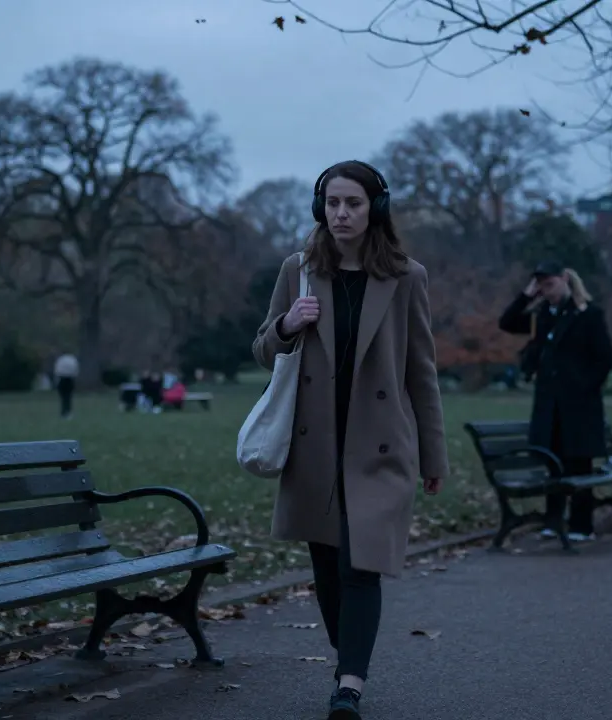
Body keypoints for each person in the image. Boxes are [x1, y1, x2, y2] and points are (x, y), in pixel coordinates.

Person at [252, 160, 448, 720]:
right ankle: (350, 659)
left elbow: (422, 370)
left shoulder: (408, 277)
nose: (341, 213)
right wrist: (288, 325)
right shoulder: (300, 269)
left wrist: (434, 454)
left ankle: (349, 687)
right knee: (327, 569)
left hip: (380, 445)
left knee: (360, 566)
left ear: (375, 209)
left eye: (353, 203)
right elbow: (263, 349)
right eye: (333, 203)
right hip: (313, 444)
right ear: (321, 208)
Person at [498, 262, 612, 544]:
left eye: (549, 283)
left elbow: (605, 359)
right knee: (552, 462)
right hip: (549, 402)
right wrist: (527, 295)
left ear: (564, 279)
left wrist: (585, 387)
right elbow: (508, 322)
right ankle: (553, 519)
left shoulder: (588, 314)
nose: (546, 290)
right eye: (541, 285)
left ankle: (581, 524)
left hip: (578, 404)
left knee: (578, 463)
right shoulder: (542, 315)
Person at [53, 351, 79, 418]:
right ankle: (68, 412)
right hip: (70, 380)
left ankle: (63, 412)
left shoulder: (60, 360)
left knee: (63, 398)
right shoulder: (72, 359)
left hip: (62, 379)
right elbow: (76, 370)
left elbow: (57, 370)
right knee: (68, 398)